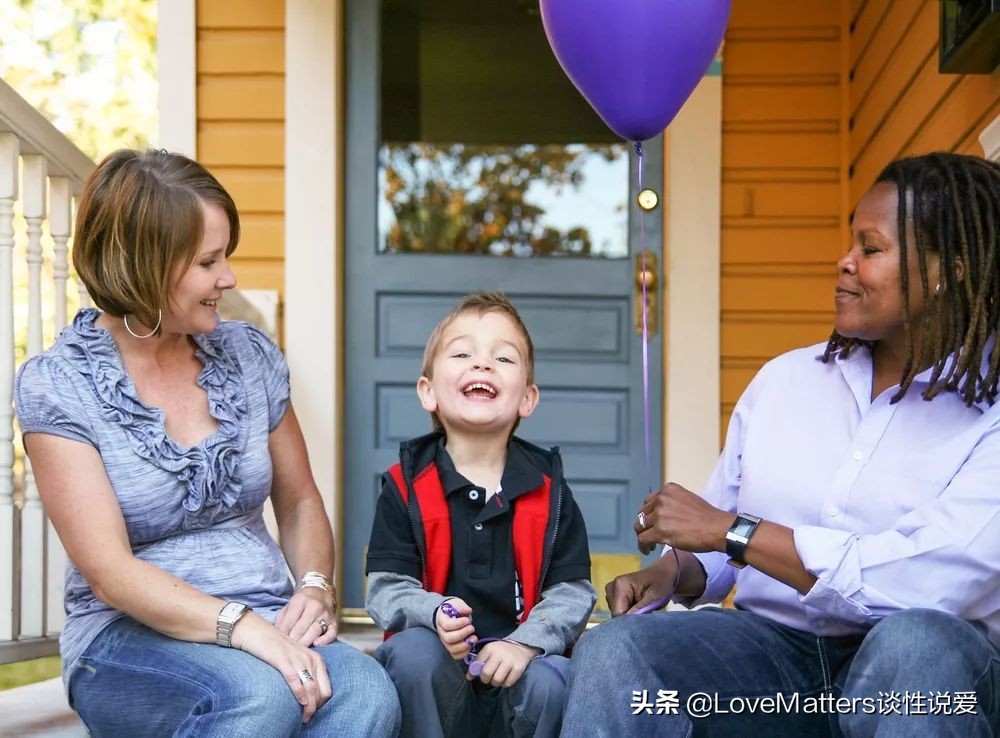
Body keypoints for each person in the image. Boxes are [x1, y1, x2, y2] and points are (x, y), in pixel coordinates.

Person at [562, 152, 1000, 737]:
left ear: (951, 270)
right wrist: (673, 572)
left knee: (916, 643)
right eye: (851, 244)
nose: (844, 262)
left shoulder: (989, 411)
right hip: (771, 667)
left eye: (870, 249)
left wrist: (733, 531)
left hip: (920, 680)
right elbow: (720, 547)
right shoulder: (786, 381)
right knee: (617, 652)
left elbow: (930, 584)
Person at [14, 149, 400, 737]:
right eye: (207, 262)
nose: (229, 278)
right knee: (257, 697)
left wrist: (317, 589)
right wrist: (245, 628)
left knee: (367, 693)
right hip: (126, 640)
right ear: (142, 266)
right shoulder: (60, 386)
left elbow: (298, 502)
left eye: (227, 256)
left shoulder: (249, 355)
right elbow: (109, 572)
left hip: (268, 616)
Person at [365, 292, 597, 738]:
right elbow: (386, 590)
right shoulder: (405, 487)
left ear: (527, 399)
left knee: (553, 683)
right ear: (427, 391)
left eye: (504, 358)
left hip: (519, 670)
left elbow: (571, 592)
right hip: (437, 669)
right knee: (414, 657)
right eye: (462, 353)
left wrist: (526, 642)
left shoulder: (551, 493)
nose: (483, 364)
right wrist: (433, 614)